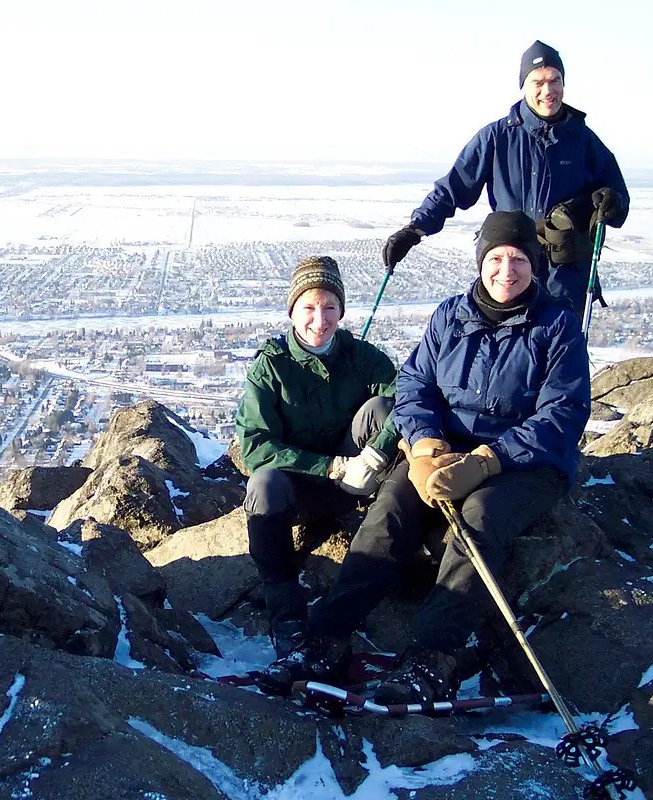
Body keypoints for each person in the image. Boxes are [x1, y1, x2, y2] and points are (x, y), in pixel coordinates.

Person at [256, 210, 591, 700]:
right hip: (443, 452)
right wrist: (423, 445)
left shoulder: (557, 328)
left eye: (518, 258)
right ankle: (323, 639)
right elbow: (414, 386)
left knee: (476, 521)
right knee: (388, 512)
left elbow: (562, 414)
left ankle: (433, 657)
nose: (506, 269)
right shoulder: (450, 316)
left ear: (535, 265)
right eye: (495, 257)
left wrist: (487, 461)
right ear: (480, 261)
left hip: (524, 464)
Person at [382, 40, 629, 321]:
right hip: (509, 272)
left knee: (561, 356)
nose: (547, 91)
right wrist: (415, 230)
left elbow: (618, 198)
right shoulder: (497, 137)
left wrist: (612, 201)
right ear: (523, 86)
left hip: (566, 278)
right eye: (537, 82)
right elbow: (454, 188)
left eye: (555, 80)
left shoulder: (584, 141)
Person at [235, 255, 400, 663]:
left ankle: (392, 513)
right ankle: (287, 618)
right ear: (292, 310)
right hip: (300, 490)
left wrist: (376, 454)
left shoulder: (362, 357)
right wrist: (329, 466)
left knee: (381, 407)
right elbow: (255, 445)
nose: (320, 319)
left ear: (342, 310)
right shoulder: (271, 366)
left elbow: (406, 400)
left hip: (358, 482)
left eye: (330, 307)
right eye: (309, 307)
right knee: (263, 486)